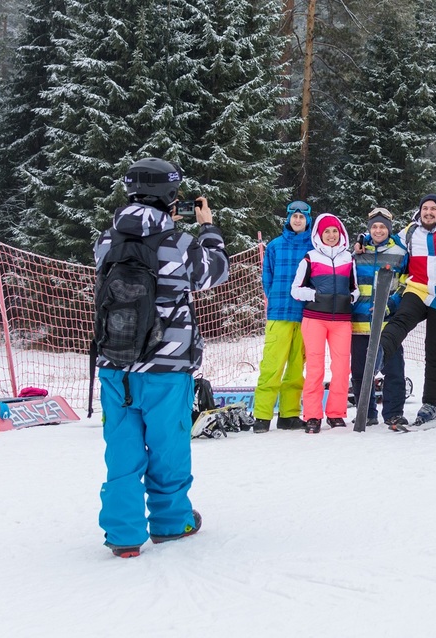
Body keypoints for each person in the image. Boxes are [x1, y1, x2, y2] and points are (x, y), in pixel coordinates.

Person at [94, 157, 230, 558]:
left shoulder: (105, 241)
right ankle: (171, 522)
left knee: (121, 449)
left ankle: (123, 533)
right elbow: (216, 271)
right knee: (168, 446)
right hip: (167, 366)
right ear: (170, 195)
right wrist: (208, 229)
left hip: (115, 362)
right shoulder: (180, 244)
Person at [378, 194, 436, 427]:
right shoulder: (410, 231)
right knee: (401, 319)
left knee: (435, 350)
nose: (428, 212)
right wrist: (364, 240)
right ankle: (379, 353)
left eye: (433, 209)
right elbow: (387, 241)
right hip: (418, 288)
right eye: (425, 209)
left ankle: (430, 404)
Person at [291, 213, 358, 433]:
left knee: (341, 368)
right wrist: (315, 295)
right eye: (326, 231)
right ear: (319, 234)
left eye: (335, 231)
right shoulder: (310, 258)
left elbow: (355, 288)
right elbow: (295, 290)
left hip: (341, 321)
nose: (331, 235)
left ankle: (336, 413)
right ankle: (312, 415)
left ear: (341, 233)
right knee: (315, 368)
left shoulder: (348, 258)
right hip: (315, 319)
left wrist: (351, 298)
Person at [252, 201, 313, 433]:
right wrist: (276, 298)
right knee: (272, 366)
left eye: (302, 217)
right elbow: (266, 278)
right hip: (279, 314)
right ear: (288, 219)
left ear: (308, 220)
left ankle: (289, 414)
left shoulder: (313, 247)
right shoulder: (275, 246)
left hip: (305, 315)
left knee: (296, 368)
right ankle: (262, 415)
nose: (297, 220)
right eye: (294, 216)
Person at [350, 208, 408, 427]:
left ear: (389, 229)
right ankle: (366, 412)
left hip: (387, 324)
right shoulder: (358, 253)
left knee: (393, 370)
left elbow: (405, 284)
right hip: (360, 321)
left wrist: (390, 305)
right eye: (374, 226)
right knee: (360, 370)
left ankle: (393, 413)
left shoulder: (400, 253)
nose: (378, 230)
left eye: (383, 226)